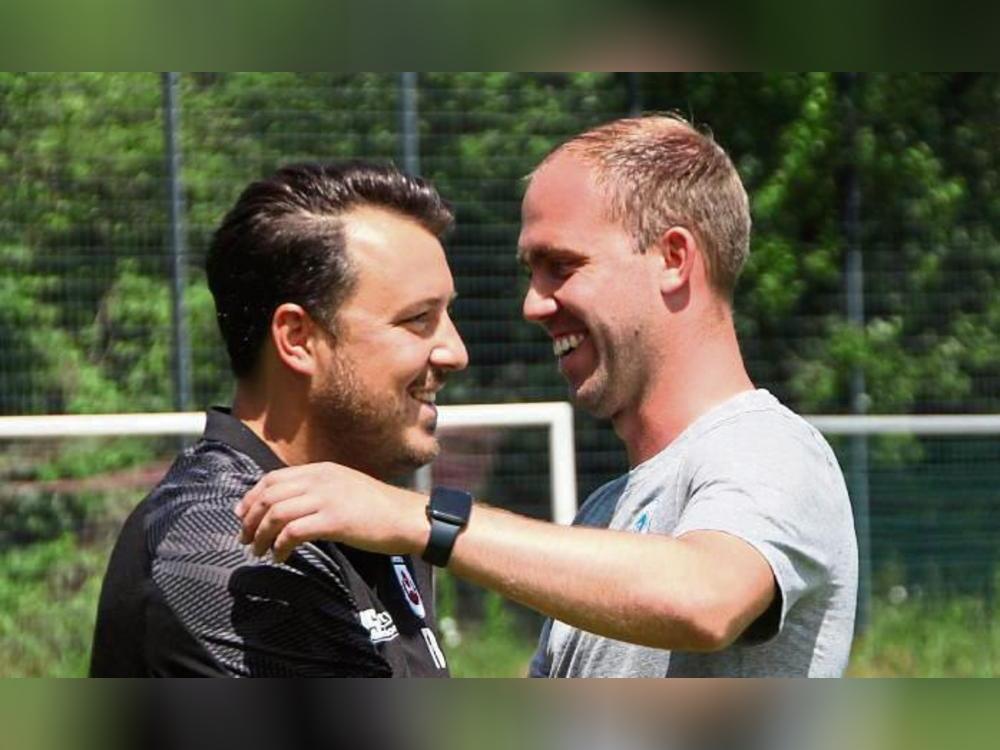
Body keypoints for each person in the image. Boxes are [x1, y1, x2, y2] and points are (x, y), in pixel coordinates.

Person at [235, 115, 859, 677]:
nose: (533, 303)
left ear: (673, 259)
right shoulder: (604, 515)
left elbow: (706, 600)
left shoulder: (768, 448)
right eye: (530, 272)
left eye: (561, 266)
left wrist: (418, 520)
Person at [90, 161, 468, 676]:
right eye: (418, 320)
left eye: (447, 315)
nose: (455, 351)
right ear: (297, 338)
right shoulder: (231, 544)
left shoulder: (366, 516)